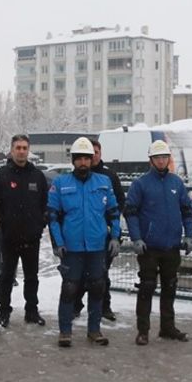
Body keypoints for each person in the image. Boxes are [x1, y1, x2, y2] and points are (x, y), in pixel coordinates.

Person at [47, 137, 120, 347]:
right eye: (79, 159)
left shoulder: (103, 183)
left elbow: (114, 213)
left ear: (92, 160)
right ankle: (65, 331)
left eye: (86, 159)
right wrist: (58, 242)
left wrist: (115, 237)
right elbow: (52, 217)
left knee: (98, 287)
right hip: (72, 248)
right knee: (70, 288)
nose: (83, 163)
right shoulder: (60, 184)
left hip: (97, 247)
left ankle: (94, 330)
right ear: (73, 161)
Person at [124, 140, 192, 345]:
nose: (162, 161)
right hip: (149, 247)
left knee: (170, 287)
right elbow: (131, 212)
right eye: (158, 158)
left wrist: (190, 235)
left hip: (171, 246)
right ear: (151, 160)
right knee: (146, 288)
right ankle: (143, 330)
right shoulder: (141, 184)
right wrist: (136, 237)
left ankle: (167, 327)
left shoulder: (176, 183)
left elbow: (187, 211)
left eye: (165, 157)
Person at [0, 133, 50, 327]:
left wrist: (40, 224)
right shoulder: (3, 175)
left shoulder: (37, 175)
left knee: (32, 278)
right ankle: (4, 312)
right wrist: (1, 223)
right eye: (18, 147)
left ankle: (31, 311)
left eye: (25, 148)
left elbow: (45, 204)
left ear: (28, 150)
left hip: (32, 238)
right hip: (9, 238)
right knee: (6, 277)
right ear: (11, 150)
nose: (21, 151)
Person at [74, 138, 125, 322]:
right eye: (90, 152)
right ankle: (76, 305)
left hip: (103, 235)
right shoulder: (75, 177)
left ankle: (104, 306)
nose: (93, 155)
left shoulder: (109, 176)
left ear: (100, 153)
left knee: (101, 274)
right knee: (78, 274)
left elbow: (119, 203)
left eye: (96, 152)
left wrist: (113, 231)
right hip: (81, 236)